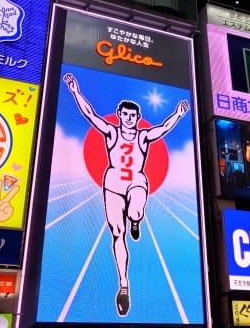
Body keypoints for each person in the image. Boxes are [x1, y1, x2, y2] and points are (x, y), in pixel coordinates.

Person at [63, 72, 190, 317]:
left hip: (136, 182)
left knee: (135, 210)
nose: (129, 118)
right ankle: (123, 285)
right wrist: (75, 91)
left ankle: (136, 220)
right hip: (112, 184)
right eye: (125, 114)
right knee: (117, 233)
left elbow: (163, 128)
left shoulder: (143, 136)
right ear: (120, 115)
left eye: (133, 115)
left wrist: (179, 113)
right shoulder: (111, 133)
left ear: (138, 118)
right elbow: (90, 114)